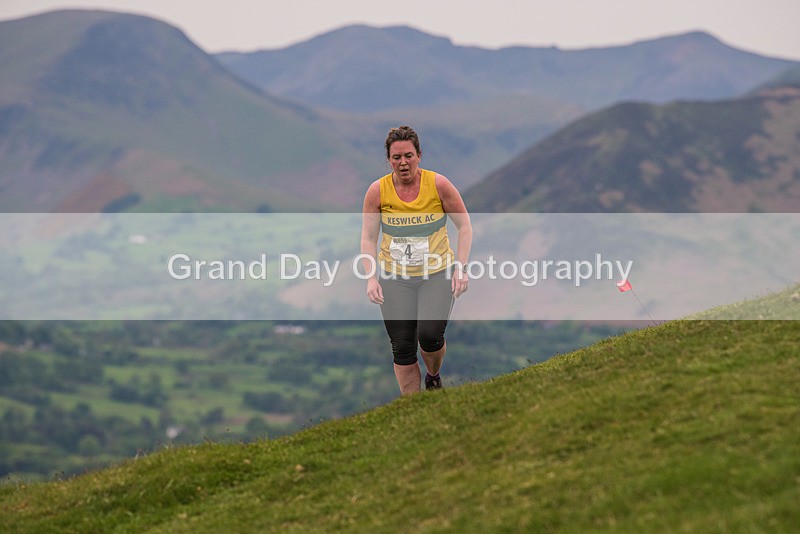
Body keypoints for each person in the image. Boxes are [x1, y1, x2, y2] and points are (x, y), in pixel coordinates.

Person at [361, 125, 472, 395]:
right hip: (394, 276)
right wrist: (371, 277)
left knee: (430, 336)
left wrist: (461, 268)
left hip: (436, 273)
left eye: (408, 156)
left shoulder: (439, 185)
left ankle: (433, 376)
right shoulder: (377, 191)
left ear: (419, 155)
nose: (403, 163)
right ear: (388, 160)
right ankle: (412, 407)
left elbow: (465, 226)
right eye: (396, 157)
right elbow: (368, 237)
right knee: (402, 346)